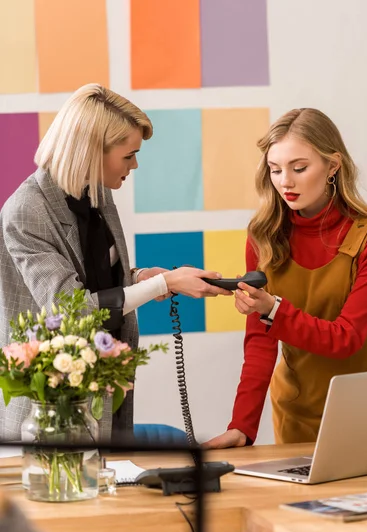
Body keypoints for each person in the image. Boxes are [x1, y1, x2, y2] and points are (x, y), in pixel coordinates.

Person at [0, 83, 231, 442]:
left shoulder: (97, 192)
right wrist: (164, 284)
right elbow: (69, 308)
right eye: (128, 155)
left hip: (104, 384)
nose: (135, 164)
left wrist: (139, 276)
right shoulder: (27, 210)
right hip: (50, 405)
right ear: (92, 152)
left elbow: (93, 277)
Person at [205, 107, 367, 449]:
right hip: (295, 413)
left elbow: (347, 338)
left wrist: (273, 311)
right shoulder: (263, 235)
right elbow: (260, 343)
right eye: (275, 169)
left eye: (299, 168)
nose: (285, 182)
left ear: (333, 166)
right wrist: (242, 426)